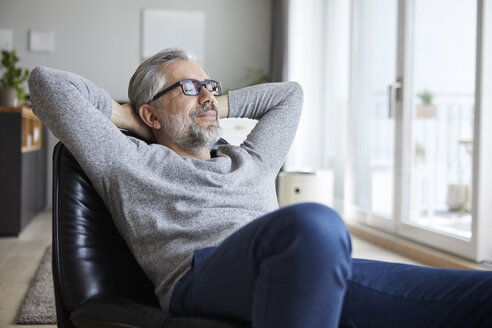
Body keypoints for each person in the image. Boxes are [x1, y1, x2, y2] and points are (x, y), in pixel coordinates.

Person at [29, 48, 491, 328]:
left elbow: (290, 94)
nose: (207, 94)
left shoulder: (250, 158)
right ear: (151, 115)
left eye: (210, 84)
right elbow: (47, 84)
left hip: (303, 263)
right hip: (202, 274)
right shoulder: (129, 160)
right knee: (314, 222)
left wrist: (209, 101)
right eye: (188, 87)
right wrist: (129, 115)